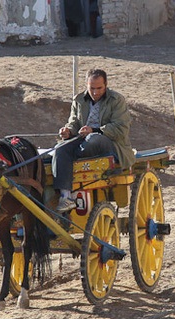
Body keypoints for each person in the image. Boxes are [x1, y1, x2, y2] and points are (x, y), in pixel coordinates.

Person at [52, 68, 135, 213]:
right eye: (92, 88)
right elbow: (74, 122)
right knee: (60, 148)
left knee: (93, 139)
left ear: (106, 85)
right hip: (83, 139)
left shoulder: (117, 100)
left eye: (99, 88)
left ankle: (76, 152)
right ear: (86, 85)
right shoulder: (78, 100)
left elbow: (120, 129)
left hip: (109, 142)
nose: (96, 92)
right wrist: (68, 131)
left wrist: (95, 130)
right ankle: (65, 196)